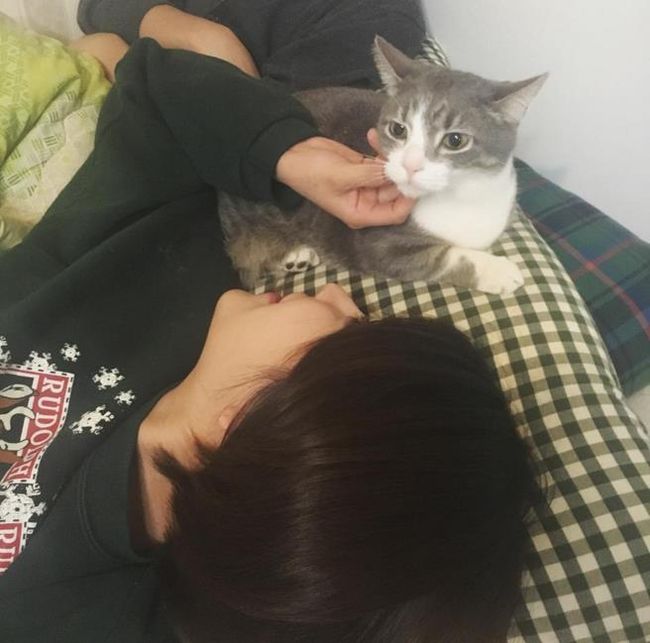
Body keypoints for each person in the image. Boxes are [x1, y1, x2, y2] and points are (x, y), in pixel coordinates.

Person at [0, 7, 541, 643]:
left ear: (245, 416)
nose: (340, 294)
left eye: (348, 332)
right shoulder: (190, 264)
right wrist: (289, 152)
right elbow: (152, 84)